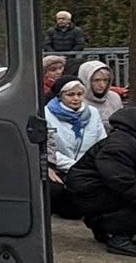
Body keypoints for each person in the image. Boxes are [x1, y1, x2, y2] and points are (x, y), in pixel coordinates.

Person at [61, 106, 136, 258]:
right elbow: (123, 184)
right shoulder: (120, 146)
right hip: (90, 194)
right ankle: (116, 233)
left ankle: (107, 228)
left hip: (110, 193)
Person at [44, 77, 107, 208]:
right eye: (70, 94)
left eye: (79, 94)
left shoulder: (93, 113)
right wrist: (75, 167)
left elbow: (102, 142)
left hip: (89, 169)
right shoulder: (46, 114)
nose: (76, 98)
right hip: (60, 168)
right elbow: (48, 148)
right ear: (60, 96)